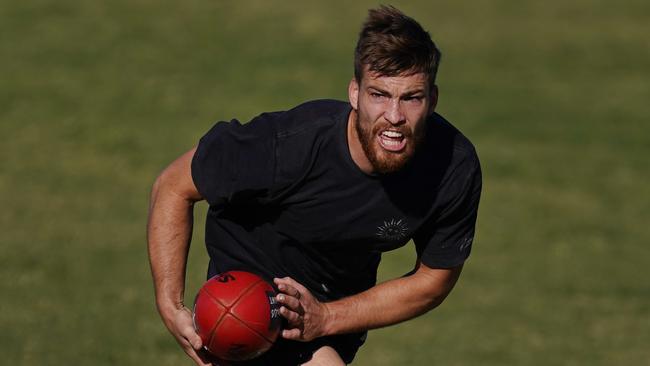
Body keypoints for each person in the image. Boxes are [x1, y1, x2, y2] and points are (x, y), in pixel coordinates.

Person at [147, 5, 481, 366]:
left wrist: (328, 316)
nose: (395, 116)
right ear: (354, 94)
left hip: (331, 304)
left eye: (411, 98)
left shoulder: (452, 168)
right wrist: (170, 303)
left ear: (432, 99)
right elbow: (173, 185)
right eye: (379, 95)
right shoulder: (289, 144)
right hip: (246, 295)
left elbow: (433, 280)